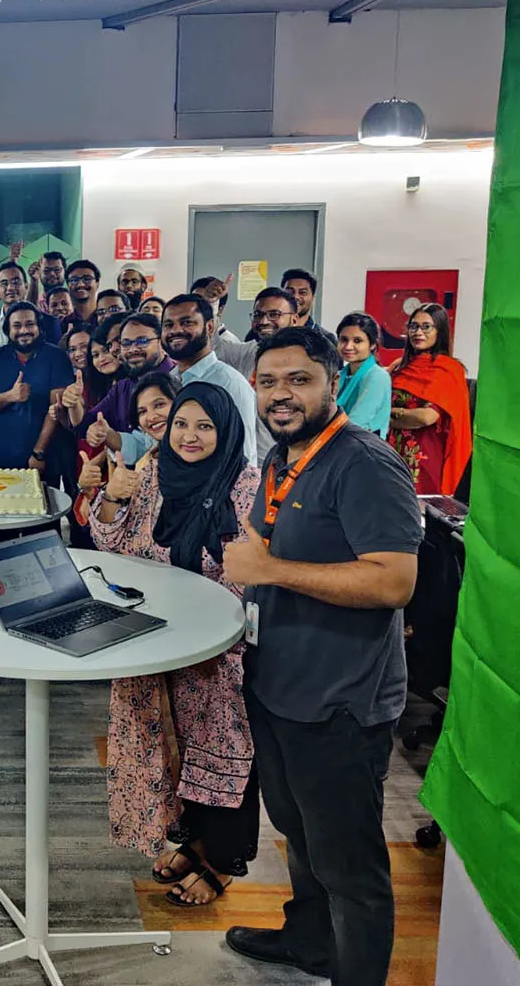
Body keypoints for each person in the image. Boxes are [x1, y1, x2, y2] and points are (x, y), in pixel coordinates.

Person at [222, 326, 421, 986]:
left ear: (334, 383)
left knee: (350, 868)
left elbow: (394, 581)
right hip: (279, 685)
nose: (280, 394)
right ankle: (309, 942)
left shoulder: (365, 463)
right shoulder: (285, 456)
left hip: (341, 703)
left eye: (299, 380)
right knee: (299, 833)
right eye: (268, 382)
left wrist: (271, 571)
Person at [89, 381, 262, 906]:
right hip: (153, 642)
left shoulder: (247, 486)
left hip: (217, 655)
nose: (189, 436)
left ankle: (221, 861)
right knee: (172, 752)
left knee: (220, 754)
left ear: (226, 431)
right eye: (181, 424)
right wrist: (113, 497)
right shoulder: (154, 474)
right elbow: (113, 543)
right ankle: (192, 841)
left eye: (204, 426)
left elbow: (249, 574)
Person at [159, 295, 258, 464]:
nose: (175, 330)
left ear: (210, 327)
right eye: (168, 325)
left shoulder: (229, 383)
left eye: (187, 322)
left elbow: (243, 458)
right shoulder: (170, 380)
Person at [0, 302, 73, 474]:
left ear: (39, 327)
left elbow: (56, 409)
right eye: (16, 325)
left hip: (42, 457)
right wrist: (10, 396)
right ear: (7, 330)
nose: (23, 330)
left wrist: (39, 452)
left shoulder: (56, 357)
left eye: (29, 324)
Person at [387, 303, 472, 495]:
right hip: (391, 452)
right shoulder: (399, 367)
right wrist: (401, 415)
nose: (418, 332)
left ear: (439, 331)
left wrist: (388, 414)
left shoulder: (448, 370)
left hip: (424, 458)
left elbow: (426, 417)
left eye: (426, 327)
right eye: (413, 326)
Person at [211, 287, 299, 465]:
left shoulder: (306, 360)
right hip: (246, 459)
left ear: (294, 319)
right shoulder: (247, 352)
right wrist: (211, 305)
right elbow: (212, 348)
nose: (264, 321)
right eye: (258, 315)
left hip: (287, 460)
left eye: (274, 315)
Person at [64, 313, 176, 451]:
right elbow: (85, 425)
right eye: (126, 343)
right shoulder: (122, 387)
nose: (133, 349)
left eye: (142, 341)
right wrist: (74, 403)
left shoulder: (181, 377)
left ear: (162, 341)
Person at [336, 313, 392, 437]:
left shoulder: (377, 376)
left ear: (372, 345)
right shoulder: (341, 375)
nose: (348, 346)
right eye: (344, 340)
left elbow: (356, 422)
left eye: (357, 341)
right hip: (340, 442)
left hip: (360, 445)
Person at [0, 263, 62, 351]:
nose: (10, 288)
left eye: (16, 282)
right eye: (4, 284)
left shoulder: (50, 323)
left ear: (26, 286)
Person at [280, 268, 336, 344]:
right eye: (289, 292)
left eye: (302, 292)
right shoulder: (273, 331)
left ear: (313, 298)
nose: (295, 297)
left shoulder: (325, 338)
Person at [191, 277, 238, 342]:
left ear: (220, 310)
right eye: (194, 300)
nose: (197, 307)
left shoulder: (229, 342)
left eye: (207, 302)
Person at [61, 260, 101, 329]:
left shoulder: (105, 319)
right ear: (67, 285)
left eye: (87, 279)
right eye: (74, 280)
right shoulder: (63, 324)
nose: (80, 284)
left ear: (97, 283)